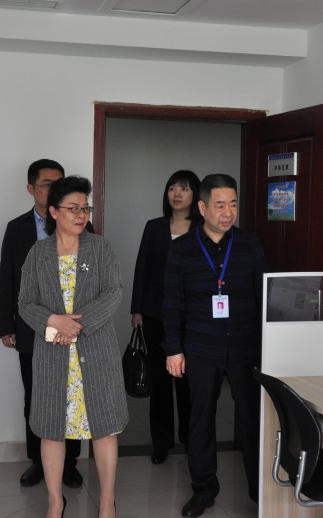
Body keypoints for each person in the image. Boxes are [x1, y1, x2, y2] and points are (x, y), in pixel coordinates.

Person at [18, 176, 127, 518]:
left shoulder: (100, 248)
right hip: (53, 355)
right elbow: (25, 303)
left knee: (104, 428)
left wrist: (74, 326)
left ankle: (107, 501)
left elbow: (113, 292)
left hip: (96, 352)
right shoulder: (38, 253)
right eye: (73, 208)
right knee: (52, 429)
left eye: (85, 208)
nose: (81, 215)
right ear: (53, 211)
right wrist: (54, 321)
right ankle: (55, 502)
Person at [163, 173, 267, 517]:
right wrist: (173, 349)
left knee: (253, 420)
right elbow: (172, 303)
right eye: (220, 205)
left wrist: (271, 348)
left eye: (233, 204)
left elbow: (264, 300)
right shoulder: (181, 249)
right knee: (200, 420)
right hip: (200, 346)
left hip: (246, 348)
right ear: (202, 207)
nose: (228, 212)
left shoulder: (250, 245)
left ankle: (261, 492)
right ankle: (204, 489)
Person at [0, 159, 87, 488]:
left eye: (59, 183)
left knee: (71, 396)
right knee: (36, 397)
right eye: (48, 184)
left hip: (72, 327)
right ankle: (38, 461)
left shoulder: (83, 225)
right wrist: (6, 324)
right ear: (31, 188)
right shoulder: (17, 228)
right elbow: (7, 277)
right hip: (31, 326)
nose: (54, 189)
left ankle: (70, 464)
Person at [130, 170, 200, 464]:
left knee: (188, 383)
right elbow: (142, 268)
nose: (177, 194)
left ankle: (190, 440)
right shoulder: (154, 227)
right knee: (159, 383)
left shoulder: (203, 228)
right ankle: (161, 444)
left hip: (192, 318)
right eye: (172, 188)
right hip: (155, 315)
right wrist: (137, 309)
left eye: (184, 188)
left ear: (196, 195)